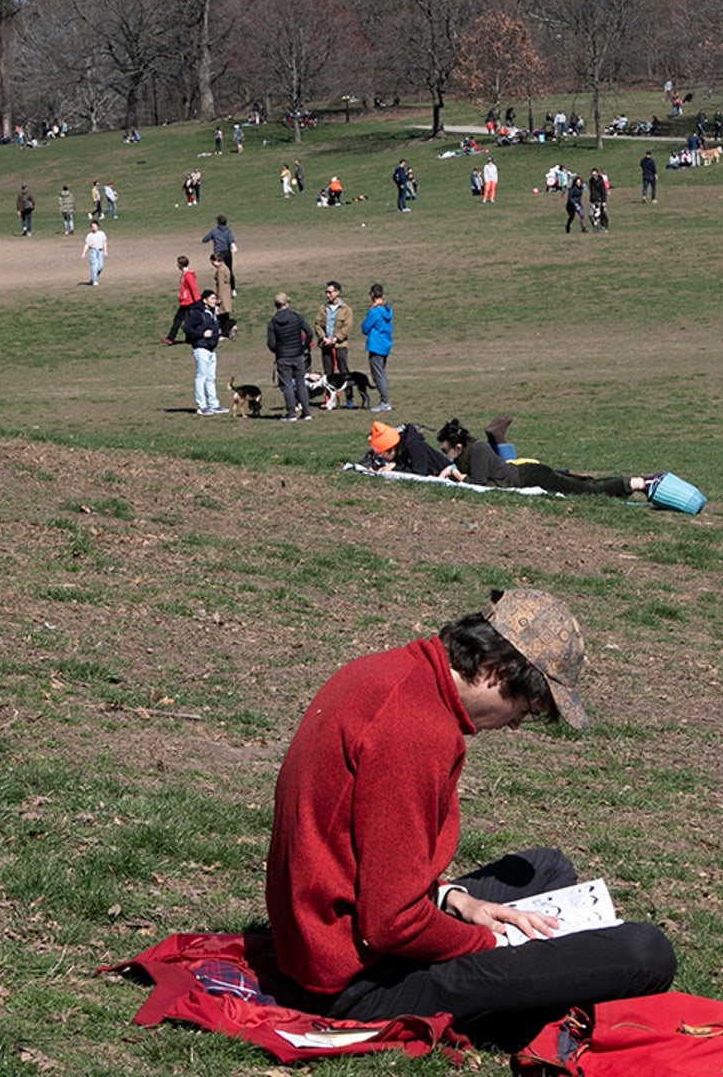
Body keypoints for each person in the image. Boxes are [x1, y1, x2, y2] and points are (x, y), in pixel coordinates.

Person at [264, 591, 678, 1048]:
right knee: (646, 953)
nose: (517, 724)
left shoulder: (394, 672)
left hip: (342, 927)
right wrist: (490, 943)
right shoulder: (414, 731)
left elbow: (366, 851)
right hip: (354, 982)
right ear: (499, 673)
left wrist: (457, 900)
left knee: (546, 868)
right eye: (526, 709)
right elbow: (391, 923)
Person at [435, 419, 663, 498]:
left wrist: (456, 475)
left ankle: (639, 482)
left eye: (447, 451)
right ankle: (635, 484)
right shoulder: (466, 454)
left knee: (586, 490)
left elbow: (479, 484)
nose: (448, 456)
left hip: (531, 477)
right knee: (581, 485)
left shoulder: (478, 450)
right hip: (525, 476)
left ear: (458, 446)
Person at [266, 292, 313, 421]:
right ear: (287, 303)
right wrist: (304, 347)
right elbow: (309, 333)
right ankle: (307, 412)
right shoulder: (296, 317)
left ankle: (291, 413)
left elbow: (271, 343)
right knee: (301, 383)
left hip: (283, 356)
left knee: (287, 385)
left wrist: (279, 351)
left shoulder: (273, 322)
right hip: (298, 355)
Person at [185, 292, 226, 415]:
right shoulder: (198, 314)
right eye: (212, 298)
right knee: (201, 377)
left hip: (211, 349)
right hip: (201, 348)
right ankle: (201, 406)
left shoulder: (212, 313)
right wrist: (201, 334)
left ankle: (214, 405)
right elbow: (187, 328)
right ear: (205, 300)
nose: (215, 301)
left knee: (211, 377)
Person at [317, 281, 354, 399]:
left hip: (340, 345)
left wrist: (336, 338)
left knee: (344, 372)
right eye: (326, 292)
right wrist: (323, 337)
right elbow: (317, 324)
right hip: (326, 345)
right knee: (328, 373)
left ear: (337, 292)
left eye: (330, 292)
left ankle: (349, 398)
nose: (328, 295)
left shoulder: (346, 309)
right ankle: (329, 399)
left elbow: (347, 326)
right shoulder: (323, 308)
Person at [361, 284, 393, 412]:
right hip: (385, 344)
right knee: (382, 373)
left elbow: (365, 327)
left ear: (372, 295)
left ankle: (384, 401)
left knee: (378, 374)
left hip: (376, 345)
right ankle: (384, 400)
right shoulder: (387, 309)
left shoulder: (374, 311)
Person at [163, 256, 200, 344]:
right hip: (186, 301)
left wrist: (197, 301)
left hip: (188, 302)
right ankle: (187, 338)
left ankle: (171, 338)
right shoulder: (185, 274)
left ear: (180, 264)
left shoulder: (188, 275)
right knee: (184, 320)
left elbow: (193, 288)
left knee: (180, 320)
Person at [201, 215, 236, 291]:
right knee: (230, 270)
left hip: (219, 253)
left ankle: (220, 287)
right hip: (227, 252)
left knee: (219, 270)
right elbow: (231, 240)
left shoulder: (214, 231)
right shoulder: (228, 231)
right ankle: (233, 289)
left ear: (218, 222)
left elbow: (205, 239)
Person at [210, 250, 235, 338]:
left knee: (221, 314)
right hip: (226, 292)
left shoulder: (220, 270)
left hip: (222, 293)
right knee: (225, 313)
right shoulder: (225, 267)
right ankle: (229, 328)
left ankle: (225, 332)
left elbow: (220, 284)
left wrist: (218, 298)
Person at [83, 221, 108, 285]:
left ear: (98, 227)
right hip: (92, 251)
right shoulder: (89, 235)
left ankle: (93, 278)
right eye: (92, 227)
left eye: (94, 226)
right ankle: (94, 281)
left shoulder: (102, 234)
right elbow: (87, 245)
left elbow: (104, 243)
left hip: (100, 251)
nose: (93, 228)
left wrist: (105, 251)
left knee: (100, 266)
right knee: (94, 266)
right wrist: (84, 252)